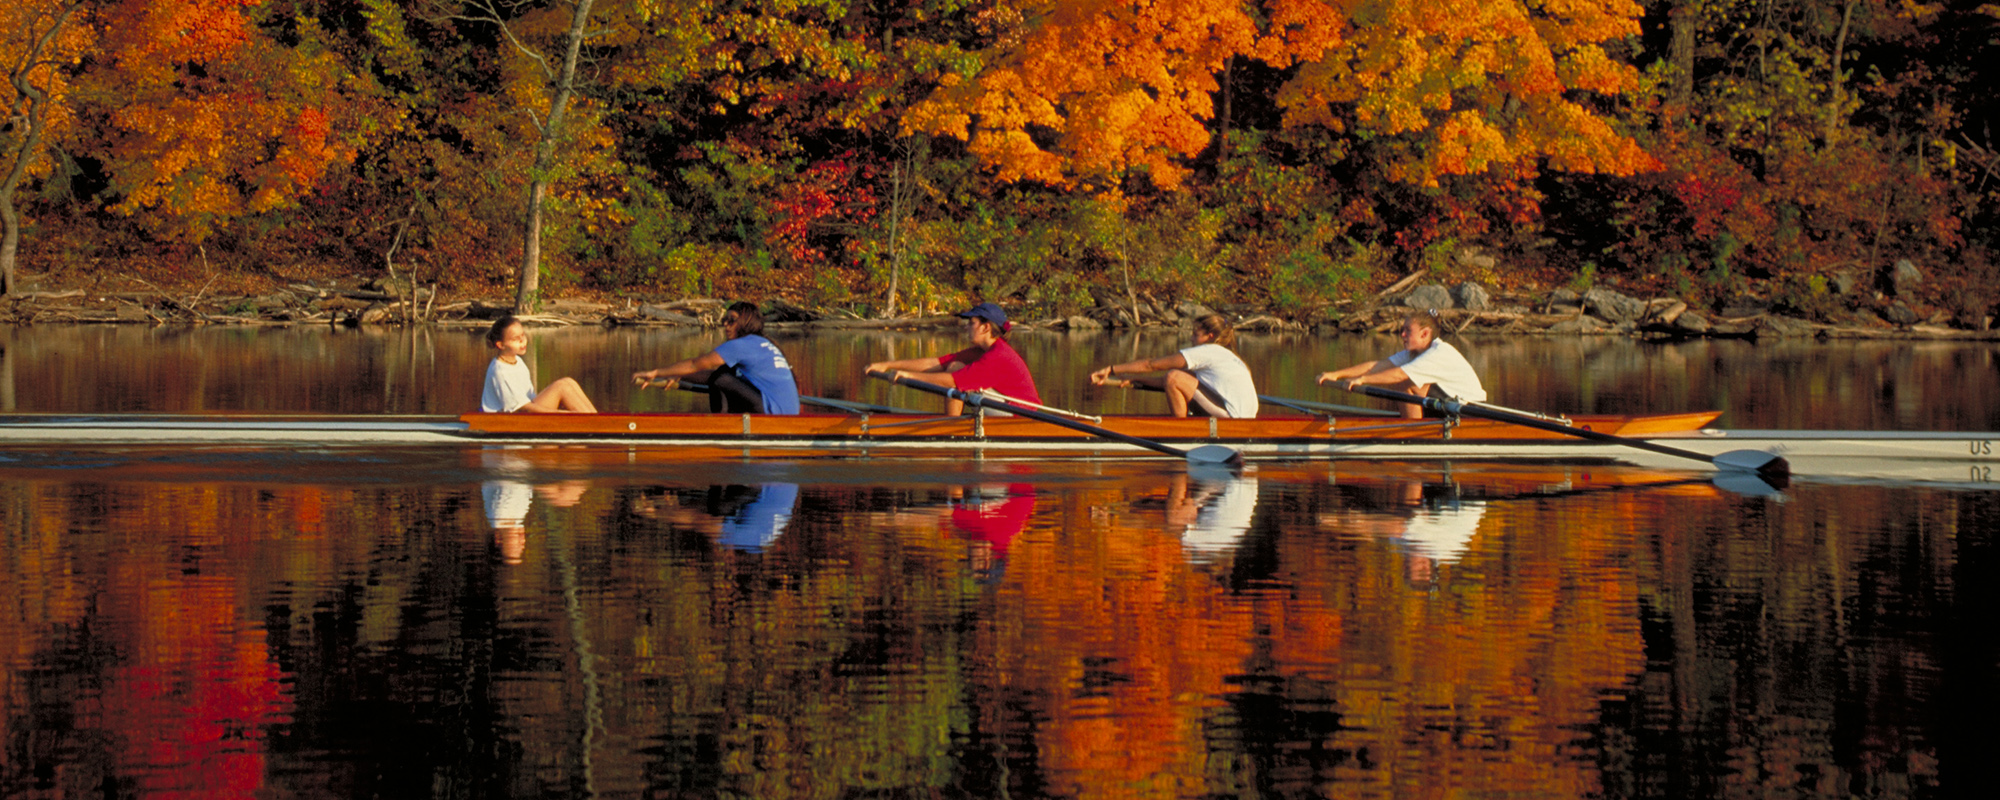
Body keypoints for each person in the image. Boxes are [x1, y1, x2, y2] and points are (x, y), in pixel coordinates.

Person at [865, 302, 1040, 416]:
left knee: (956, 374)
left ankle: (950, 427)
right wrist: (886, 365)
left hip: (1023, 416)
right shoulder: (982, 351)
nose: (966, 327)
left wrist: (908, 376)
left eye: (971, 323)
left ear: (986, 327)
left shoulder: (998, 356)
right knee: (954, 365)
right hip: (1005, 408)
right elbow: (936, 363)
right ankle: (951, 423)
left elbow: (952, 381)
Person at [632, 302, 801, 414]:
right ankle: (726, 422)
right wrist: (679, 375)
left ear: (746, 323)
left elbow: (695, 364)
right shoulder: (762, 344)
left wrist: (656, 372)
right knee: (723, 374)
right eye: (724, 320)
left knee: (722, 379)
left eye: (731, 321)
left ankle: (721, 424)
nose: (726, 325)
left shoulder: (741, 345)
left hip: (773, 413)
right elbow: (708, 375)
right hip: (785, 412)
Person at [1316, 310, 1484, 418]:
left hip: (1472, 412)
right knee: (1404, 381)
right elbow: (1375, 366)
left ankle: (1412, 435)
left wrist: (1362, 380)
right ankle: (1411, 428)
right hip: (1448, 406)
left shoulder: (1438, 352)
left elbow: (1399, 374)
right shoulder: (1413, 353)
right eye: (1402, 329)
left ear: (1425, 333)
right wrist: (1336, 374)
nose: (1402, 334)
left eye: (1408, 331)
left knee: (1404, 382)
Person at [1089, 313, 1258, 418]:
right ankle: (1184, 427)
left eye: (1195, 334)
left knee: (1174, 376)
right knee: (1181, 378)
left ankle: (1180, 432)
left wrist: (1111, 369)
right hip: (1243, 417)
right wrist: (1136, 380)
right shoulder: (1231, 357)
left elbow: (1151, 365)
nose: (1191, 339)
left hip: (1233, 419)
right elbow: (1173, 384)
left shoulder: (1208, 351)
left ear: (1210, 336)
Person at [481, 315, 598, 413]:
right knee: (562, 387)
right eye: (516, 339)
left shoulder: (518, 361)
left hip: (526, 410)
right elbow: (522, 408)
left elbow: (531, 398)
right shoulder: (500, 371)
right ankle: (593, 423)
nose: (523, 341)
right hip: (513, 417)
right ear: (500, 345)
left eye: (523, 335)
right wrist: (561, 414)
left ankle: (597, 420)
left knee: (568, 382)